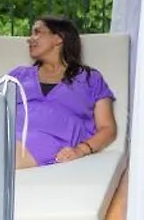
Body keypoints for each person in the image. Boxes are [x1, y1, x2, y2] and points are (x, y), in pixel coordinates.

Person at [7, 16, 117, 170]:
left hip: (48, 142)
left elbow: (107, 128)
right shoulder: (19, 75)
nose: (29, 39)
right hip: (6, 135)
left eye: (37, 32)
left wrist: (81, 150)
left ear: (59, 38)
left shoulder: (90, 79)